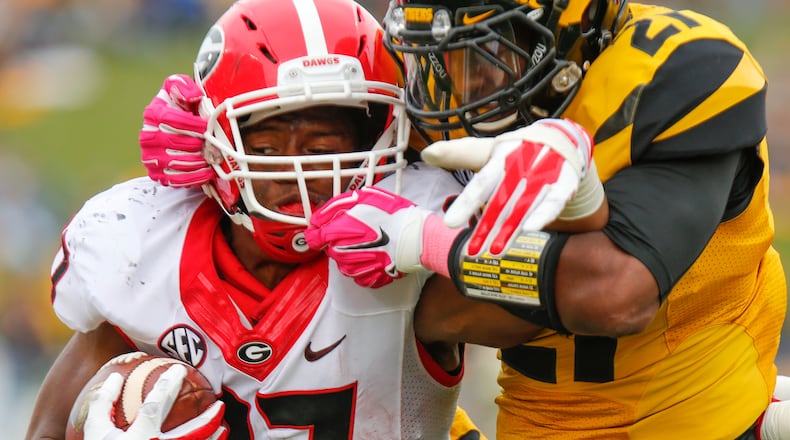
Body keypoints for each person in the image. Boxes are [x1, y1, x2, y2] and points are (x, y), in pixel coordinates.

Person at [128, 1, 790, 439]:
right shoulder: (442, 100)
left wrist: (429, 242)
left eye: (486, 55)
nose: (454, 90)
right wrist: (221, 117)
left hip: (701, 413)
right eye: (437, 57)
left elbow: (615, 295)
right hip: (533, 423)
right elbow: (318, 157)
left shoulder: (682, 69)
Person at [24, 0, 487, 439]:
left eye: (322, 149)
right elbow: (47, 428)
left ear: (383, 136)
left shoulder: (412, 238)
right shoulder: (144, 247)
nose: (297, 172)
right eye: (265, 150)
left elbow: (549, 305)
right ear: (210, 141)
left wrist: (439, 244)